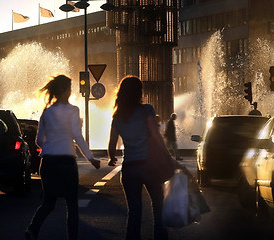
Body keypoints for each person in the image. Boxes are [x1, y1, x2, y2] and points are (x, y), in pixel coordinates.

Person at [25, 75, 100, 240]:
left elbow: (38, 141)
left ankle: (32, 230)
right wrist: (91, 158)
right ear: (65, 90)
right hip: (66, 162)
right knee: (72, 204)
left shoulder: (46, 112)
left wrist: (50, 146)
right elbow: (78, 137)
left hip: (48, 162)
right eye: (70, 88)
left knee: (48, 202)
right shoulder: (73, 111)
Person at [107, 76, 170, 240]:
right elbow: (155, 135)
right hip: (149, 167)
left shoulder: (117, 116)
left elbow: (112, 143)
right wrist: (166, 154)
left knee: (134, 211)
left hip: (129, 169)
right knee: (158, 204)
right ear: (139, 92)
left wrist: (112, 157)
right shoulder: (147, 110)